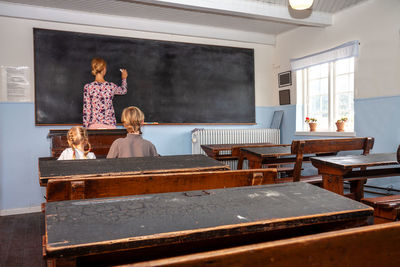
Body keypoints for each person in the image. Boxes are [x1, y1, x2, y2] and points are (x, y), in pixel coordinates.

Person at [83, 57, 128, 129]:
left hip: (94, 126)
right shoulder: (111, 86)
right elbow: (123, 90)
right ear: (104, 69)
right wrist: (124, 78)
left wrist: (85, 129)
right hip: (110, 125)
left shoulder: (88, 87)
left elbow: (87, 110)